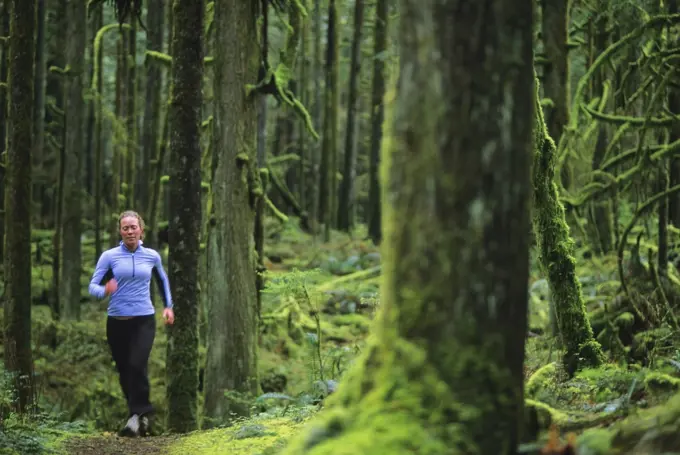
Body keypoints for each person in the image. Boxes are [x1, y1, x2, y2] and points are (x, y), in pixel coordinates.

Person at [88, 210, 174, 437]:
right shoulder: (109, 256)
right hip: (116, 322)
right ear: (120, 231)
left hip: (144, 320)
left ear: (141, 230)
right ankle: (137, 418)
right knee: (125, 371)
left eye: (133, 227)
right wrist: (104, 290)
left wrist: (168, 307)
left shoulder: (152, 256)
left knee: (137, 364)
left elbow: (162, 280)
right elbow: (92, 286)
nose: (129, 231)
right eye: (125, 228)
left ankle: (141, 411)